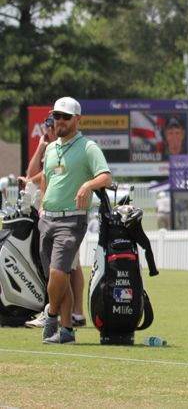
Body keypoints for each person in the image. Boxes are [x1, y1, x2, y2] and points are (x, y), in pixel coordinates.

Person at [38, 97, 112, 344]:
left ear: (77, 120)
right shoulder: (51, 148)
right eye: (56, 116)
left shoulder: (88, 147)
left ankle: (51, 315)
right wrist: (42, 205)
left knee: (58, 272)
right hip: (47, 219)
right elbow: (46, 179)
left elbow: (106, 177)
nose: (59, 121)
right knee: (58, 279)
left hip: (71, 220)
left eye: (65, 117)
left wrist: (87, 185)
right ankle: (67, 331)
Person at [24, 114, 87, 330]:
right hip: (52, 217)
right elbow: (37, 175)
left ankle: (59, 312)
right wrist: (41, 148)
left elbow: (35, 177)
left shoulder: (72, 149)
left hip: (68, 217)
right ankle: (69, 318)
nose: (49, 131)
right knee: (65, 269)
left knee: (66, 268)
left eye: (51, 127)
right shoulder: (52, 149)